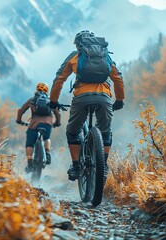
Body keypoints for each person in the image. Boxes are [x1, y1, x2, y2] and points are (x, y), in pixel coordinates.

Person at [48, 30, 125, 181]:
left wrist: (53, 100)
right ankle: (103, 166)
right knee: (106, 131)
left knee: (73, 130)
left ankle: (76, 166)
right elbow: (117, 78)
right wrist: (120, 100)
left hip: (81, 98)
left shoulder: (75, 56)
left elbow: (60, 78)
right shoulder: (104, 55)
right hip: (104, 98)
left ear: (78, 45)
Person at [16, 82, 61, 172]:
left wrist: (19, 120)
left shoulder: (32, 100)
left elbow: (21, 110)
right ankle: (47, 152)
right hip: (48, 123)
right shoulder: (50, 100)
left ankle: (30, 163)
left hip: (34, 124)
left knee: (29, 143)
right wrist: (57, 123)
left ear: (37, 89)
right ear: (47, 90)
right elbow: (57, 113)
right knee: (47, 138)